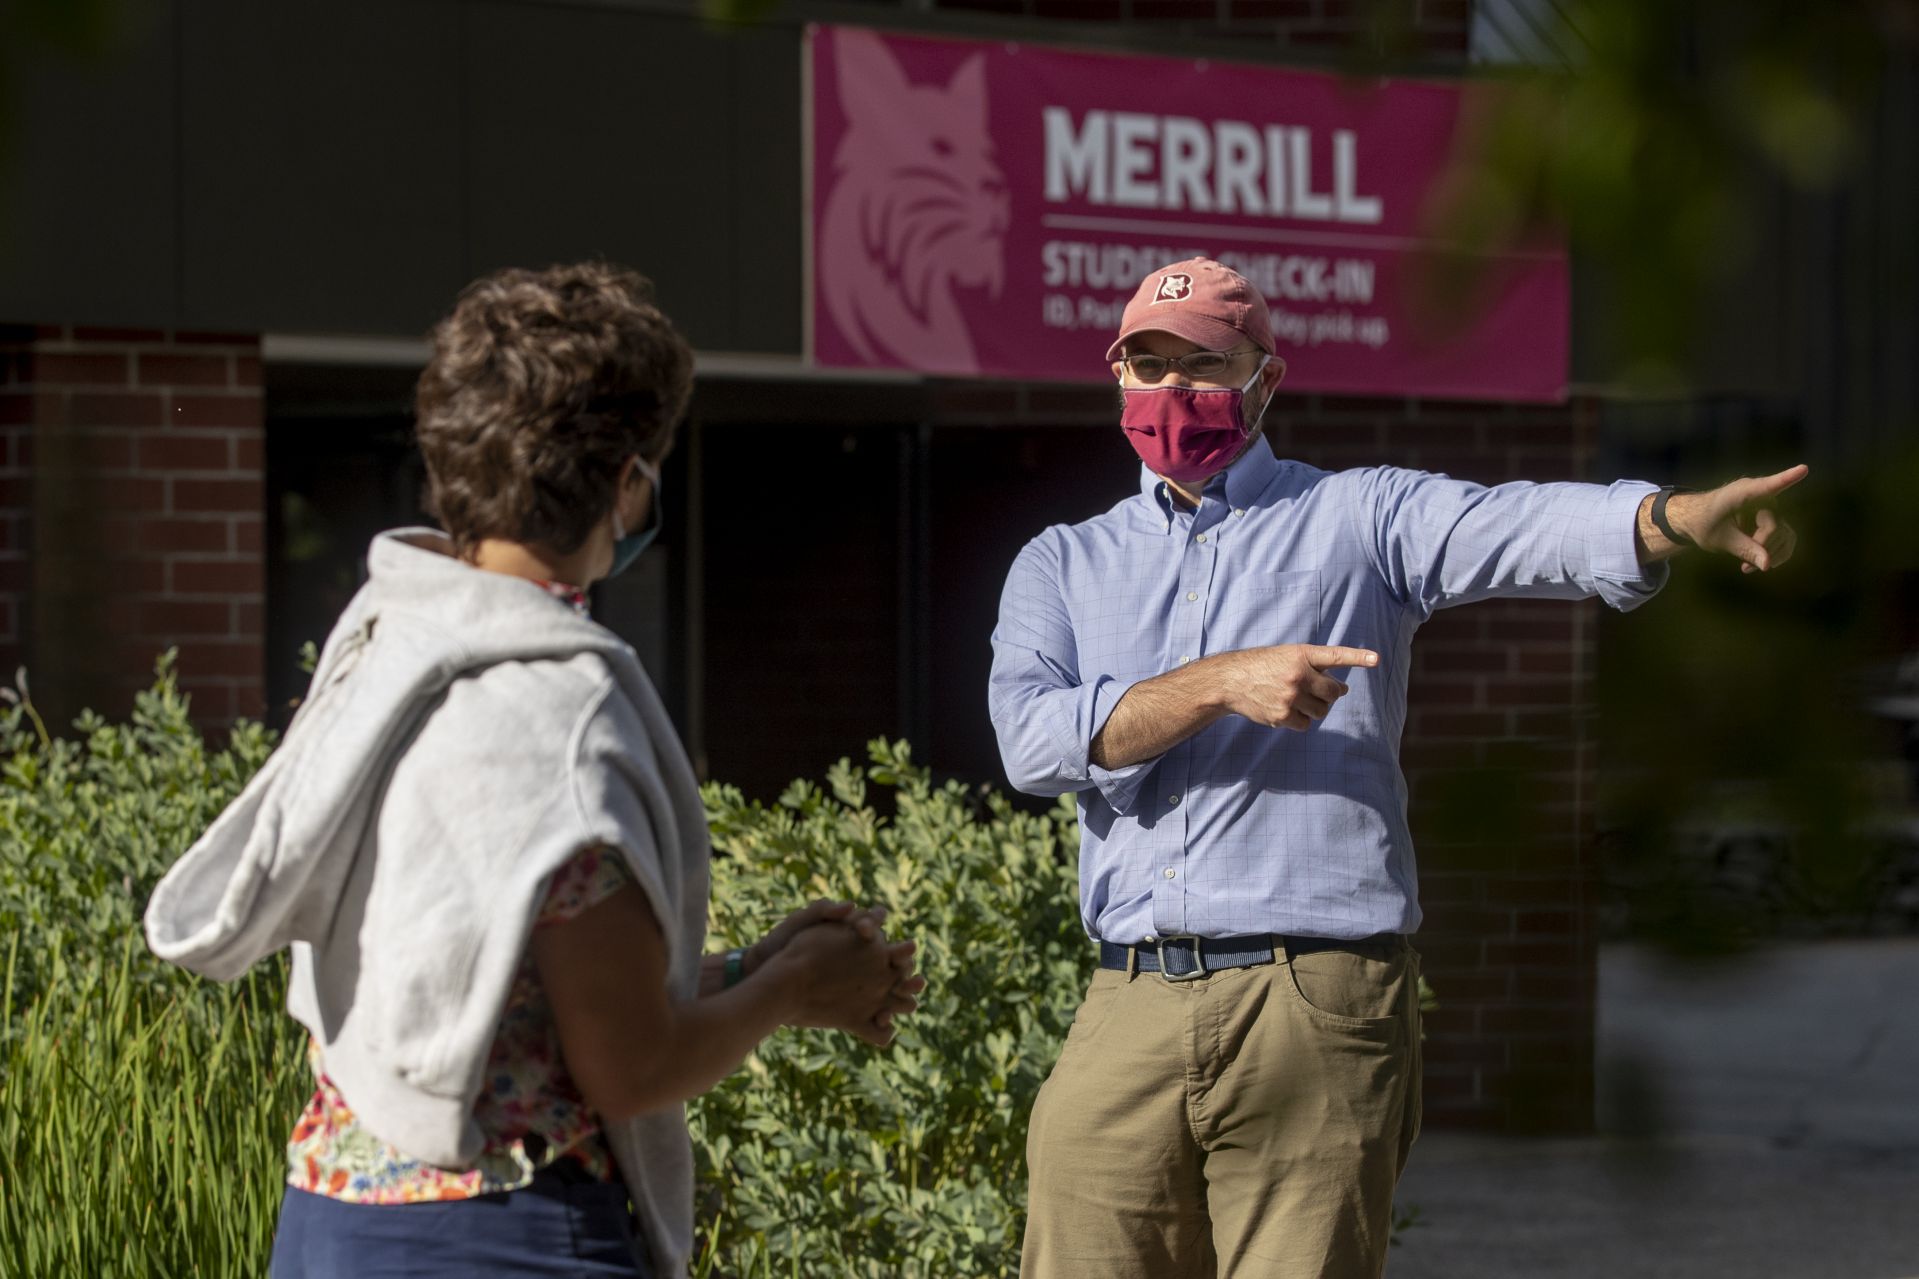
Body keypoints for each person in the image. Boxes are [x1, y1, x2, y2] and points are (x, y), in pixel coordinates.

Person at [987, 257, 1803, 1279]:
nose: (1168, 392)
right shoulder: (1061, 563)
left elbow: (1510, 528)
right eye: (1145, 365)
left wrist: (1669, 518)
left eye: (1201, 364)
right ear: (1115, 379)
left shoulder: (1355, 518)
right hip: (1129, 999)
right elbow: (1030, 743)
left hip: (1313, 992)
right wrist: (1220, 683)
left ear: (1263, 379)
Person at [145, 262, 922, 1278]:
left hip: (332, 1222)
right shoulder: (558, 712)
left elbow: (483, 977)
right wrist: (785, 994)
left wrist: (749, 970)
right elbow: (629, 1065)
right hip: (507, 1237)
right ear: (626, 480)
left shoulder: (387, 646)